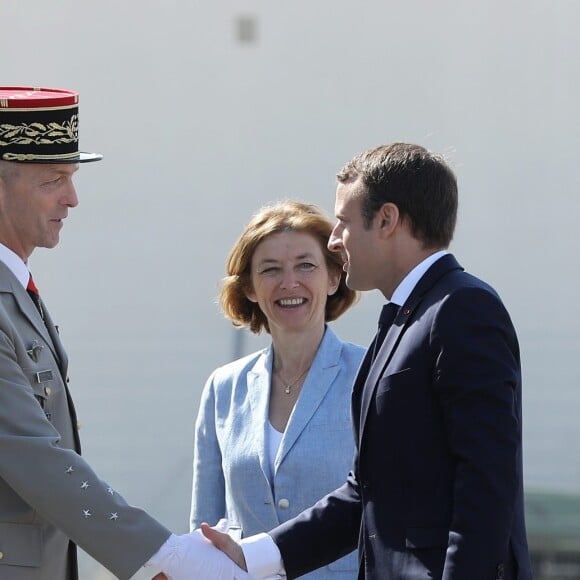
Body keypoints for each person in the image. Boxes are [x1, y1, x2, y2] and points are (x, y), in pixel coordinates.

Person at [202, 142, 533, 579]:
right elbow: (368, 494)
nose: (336, 240)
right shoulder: (403, 321)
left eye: (343, 221)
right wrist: (253, 556)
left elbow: (486, 489)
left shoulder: (462, 309)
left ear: (387, 220)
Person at [0, 86, 248, 580]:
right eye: (54, 180)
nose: (72, 198)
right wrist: (163, 554)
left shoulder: (15, 288)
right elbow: (33, 455)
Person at [189, 200, 364, 580]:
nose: (289, 283)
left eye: (306, 265)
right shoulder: (224, 388)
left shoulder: (370, 376)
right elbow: (205, 529)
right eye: (270, 270)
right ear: (250, 287)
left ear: (334, 277)